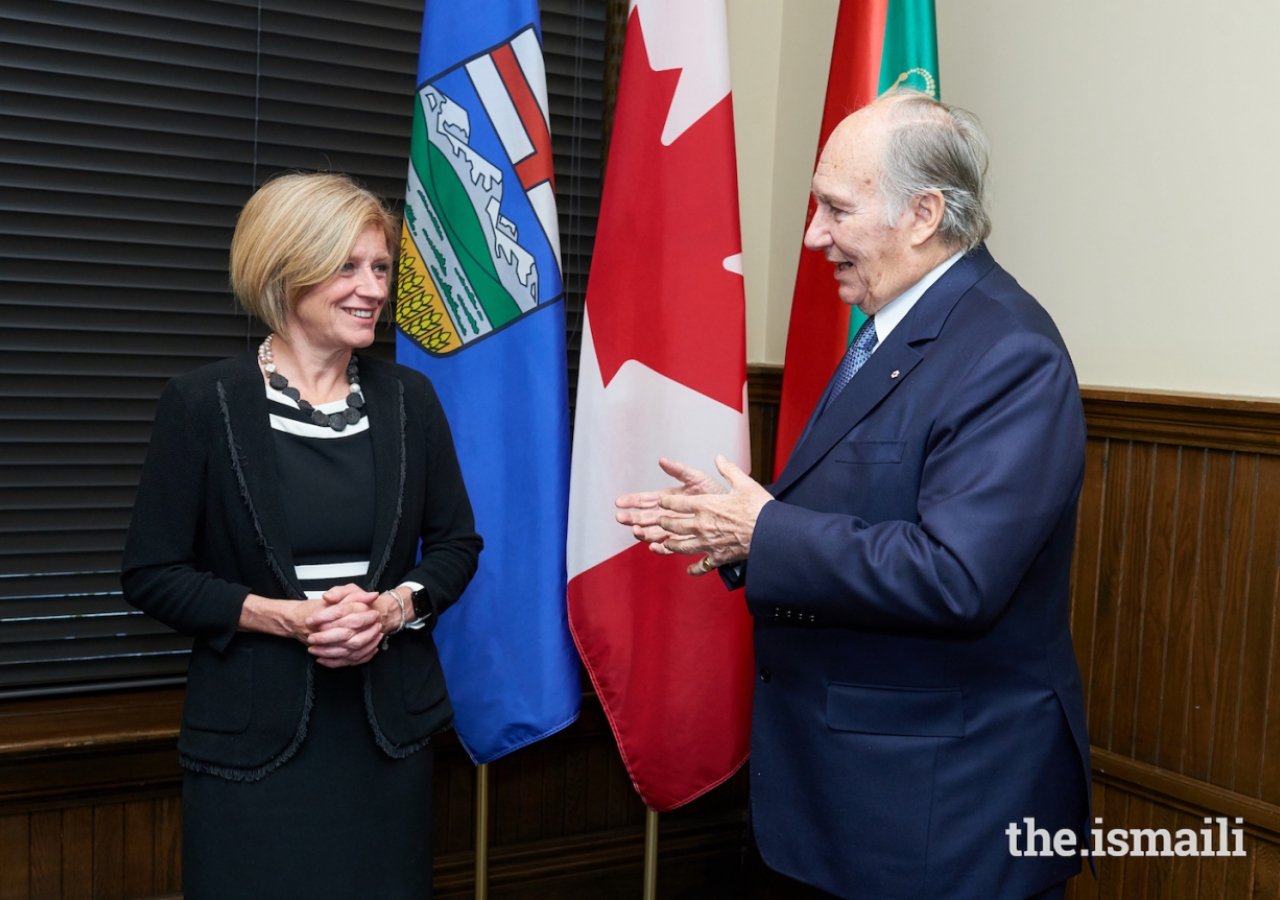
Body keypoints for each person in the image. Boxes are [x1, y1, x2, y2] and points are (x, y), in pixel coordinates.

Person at [616, 91, 1090, 900]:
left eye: (836, 209)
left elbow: (957, 577)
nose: (814, 236)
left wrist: (764, 532)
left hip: (941, 809)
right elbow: (869, 513)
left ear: (923, 214)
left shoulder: (1007, 351)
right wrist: (739, 530)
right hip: (849, 792)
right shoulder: (893, 328)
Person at [121, 173, 482, 900]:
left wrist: (392, 608)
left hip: (387, 740)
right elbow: (153, 572)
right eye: (347, 266)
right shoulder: (202, 404)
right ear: (286, 272)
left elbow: (455, 546)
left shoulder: (411, 399)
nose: (373, 289)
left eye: (381, 268)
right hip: (254, 747)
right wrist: (288, 619)